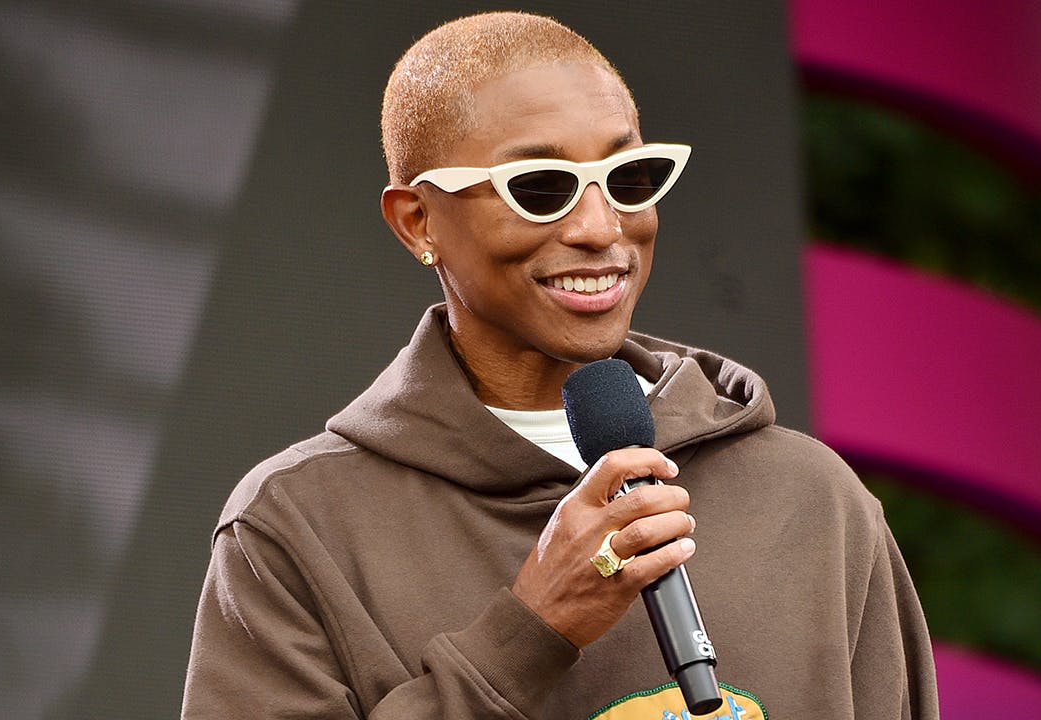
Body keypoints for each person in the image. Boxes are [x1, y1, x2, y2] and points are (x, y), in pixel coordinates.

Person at [181, 11, 938, 719]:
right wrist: (529, 633)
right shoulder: (294, 530)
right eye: (540, 188)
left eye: (629, 178)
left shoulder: (812, 501)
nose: (600, 226)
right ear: (419, 221)